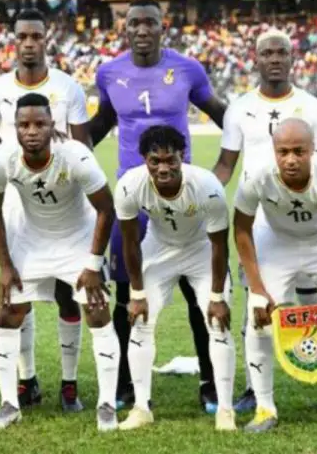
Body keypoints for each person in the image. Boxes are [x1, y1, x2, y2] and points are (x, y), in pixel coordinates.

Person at [89, 0, 227, 412]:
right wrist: (70, 147)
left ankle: (210, 384)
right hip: (132, 201)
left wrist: (224, 168)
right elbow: (101, 123)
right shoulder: (109, 73)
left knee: (196, 293)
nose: (142, 30)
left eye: (150, 22)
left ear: (163, 27)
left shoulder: (188, 69)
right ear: (125, 28)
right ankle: (125, 384)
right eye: (134, 23)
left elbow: (224, 115)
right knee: (126, 293)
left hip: (182, 197)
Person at [212, 28, 317, 414]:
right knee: (258, 302)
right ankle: (254, 388)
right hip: (261, 221)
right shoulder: (239, 109)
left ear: (292, 58)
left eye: (281, 52)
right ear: (255, 59)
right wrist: (205, 193)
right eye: (267, 53)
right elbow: (225, 165)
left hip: (309, 220)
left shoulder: (313, 107)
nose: (274, 59)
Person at [0, 93, 119, 431]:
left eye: (39, 124)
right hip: (31, 241)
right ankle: (9, 404)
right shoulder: (3, 158)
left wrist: (93, 264)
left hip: (77, 239)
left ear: (52, 125)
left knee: (97, 311)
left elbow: (106, 208)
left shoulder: (75, 155)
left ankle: (106, 405)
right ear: (14, 127)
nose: (32, 131)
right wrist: (4, 265)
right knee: (7, 312)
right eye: (24, 125)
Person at [0, 8, 90, 411]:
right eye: (22, 36)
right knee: (17, 294)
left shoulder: (68, 87)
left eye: (36, 36)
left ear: (46, 39)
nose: (29, 43)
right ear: (13, 41)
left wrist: (57, 145)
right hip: (15, 205)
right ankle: (26, 381)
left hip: (62, 206)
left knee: (66, 295)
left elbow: (85, 148)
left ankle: (69, 384)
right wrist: (9, 151)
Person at [234, 118, 317, 435]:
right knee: (259, 314)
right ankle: (264, 408)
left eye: (299, 151)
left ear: (312, 150)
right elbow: (241, 229)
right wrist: (257, 289)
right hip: (276, 240)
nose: (291, 159)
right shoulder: (256, 175)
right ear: (274, 151)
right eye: (283, 152)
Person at [113, 125, 236, 431]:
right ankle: (141, 408)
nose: (163, 168)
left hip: (201, 250)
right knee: (140, 322)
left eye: (171, 160)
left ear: (183, 156)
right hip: (158, 248)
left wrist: (217, 297)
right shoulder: (129, 185)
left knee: (217, 324)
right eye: (155, 161)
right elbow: (130, 242)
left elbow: (220, 244)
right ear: (144, 159)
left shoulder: (207, 185)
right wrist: (136, 294)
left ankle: (225, 410)